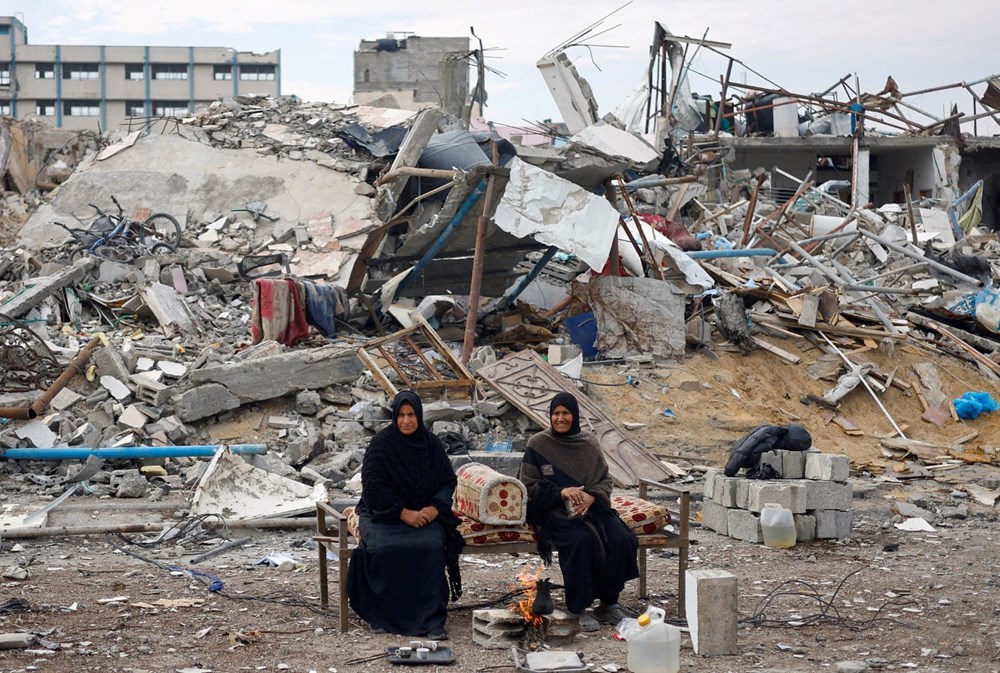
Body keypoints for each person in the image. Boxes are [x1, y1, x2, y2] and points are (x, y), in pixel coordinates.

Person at [347, 390, 464, 639]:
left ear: (419, 416)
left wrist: (434, 508)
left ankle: (431, 620)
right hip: (384, 515)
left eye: (411, 415)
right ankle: (382, 615)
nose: (406, 421)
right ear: (394, 417)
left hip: (425, 514)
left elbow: (447, 481)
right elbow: (373, 485)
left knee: (430, 547)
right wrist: (402, 513)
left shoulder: (431, 445)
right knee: (385, 548)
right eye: (401, 415)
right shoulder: (381, 445)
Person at [518, 392, 639, 632]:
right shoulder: (538, 444)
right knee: (580, 541)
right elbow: (529, 486)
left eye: (566, 413)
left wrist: (592, 496)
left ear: (575, 416)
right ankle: (578, 606)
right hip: (555, 513)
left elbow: (605, 480)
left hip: (593, 509)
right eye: (556, 413)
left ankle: (608, 602)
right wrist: (561, 492)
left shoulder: (588, 443)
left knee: (621, 538)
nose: (560, 418)